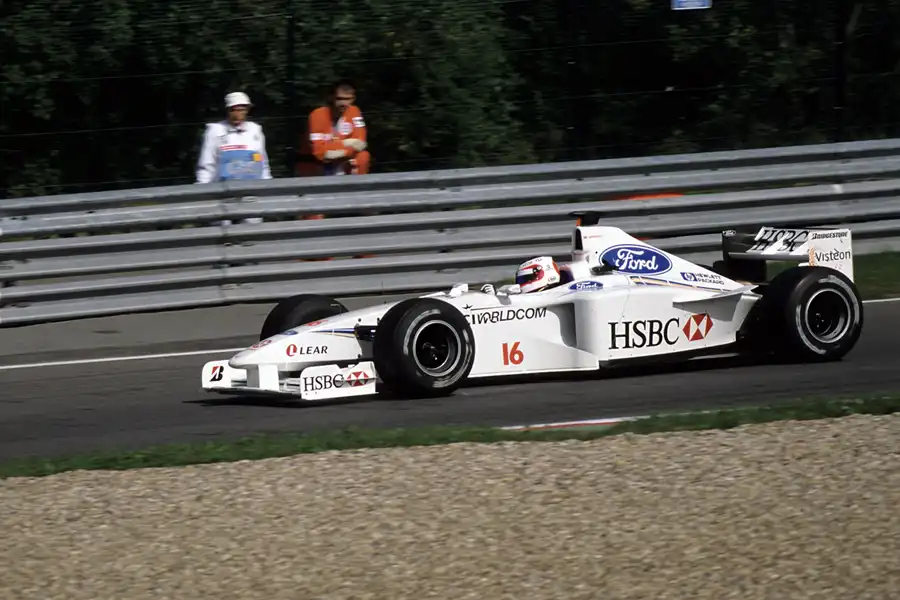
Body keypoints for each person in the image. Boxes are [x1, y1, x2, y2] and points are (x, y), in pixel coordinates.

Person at [297, 79, 371, 177]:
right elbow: (319, 152)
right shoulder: (317, 115)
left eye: (347, 99)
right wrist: (347, 143)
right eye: (339, 99)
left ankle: (358, 188)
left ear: (353, 99)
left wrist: (335, 150)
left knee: (363, 156)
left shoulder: (355, 112)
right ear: (331, 97)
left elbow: (360, 143)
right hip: (316, 165)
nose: (343, 103)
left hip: (342, 161)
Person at [196, 91, 272, 184]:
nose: (237, 114)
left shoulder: (255, 131)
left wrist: (267, 184)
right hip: (224, 189)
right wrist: (202, 187)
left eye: (241, 110)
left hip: (253, 187)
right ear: (227, 110)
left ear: (247, 110)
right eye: (233, 110)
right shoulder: (215, 131)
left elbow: (262, 161)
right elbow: (207, 164)